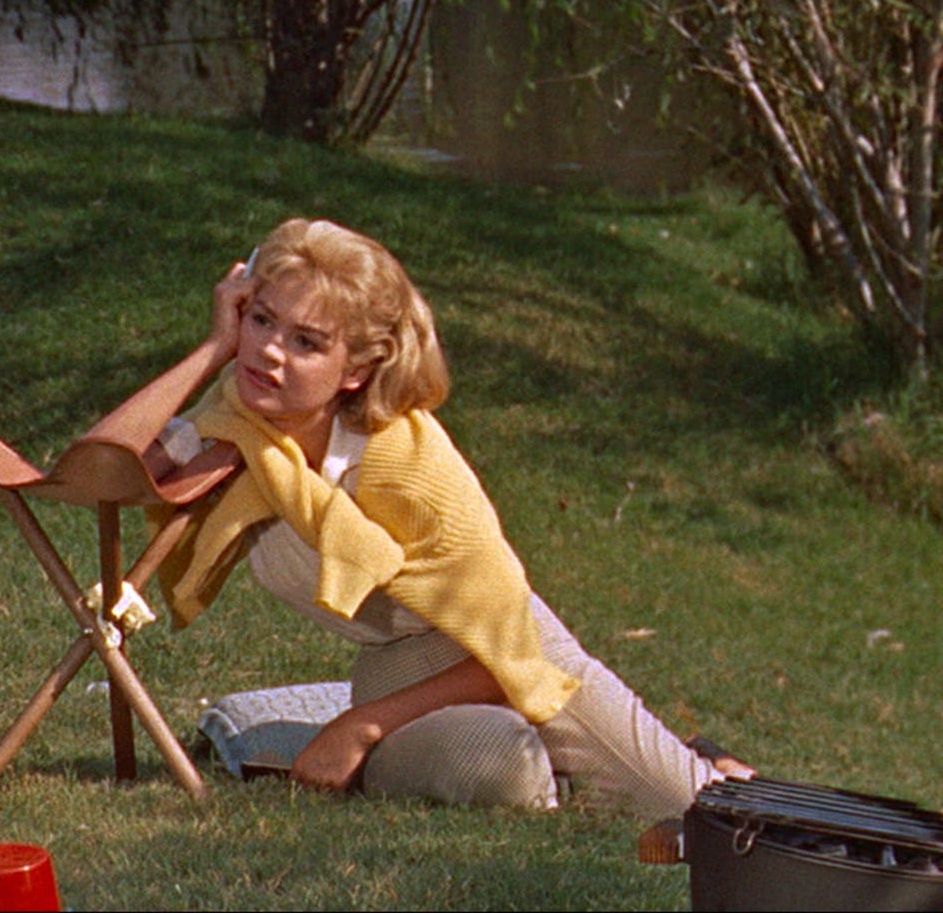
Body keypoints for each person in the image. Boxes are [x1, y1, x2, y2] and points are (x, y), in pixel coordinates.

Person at [95, 217, 752, 818]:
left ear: (355, 371)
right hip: (395, 669)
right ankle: (562, 769)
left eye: (306, 342)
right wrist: (215, 347)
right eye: (261, 320)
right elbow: (97, 470)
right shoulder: (238, 422)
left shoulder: (408, 468)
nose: (269, 351)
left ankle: (694, 762)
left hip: (499, 655)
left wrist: (360, 727)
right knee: (505, 770)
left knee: (698, 812)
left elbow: (510, 646)